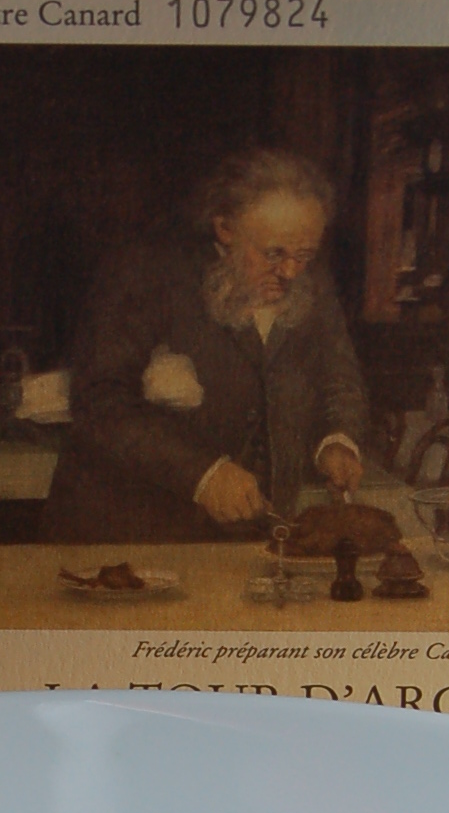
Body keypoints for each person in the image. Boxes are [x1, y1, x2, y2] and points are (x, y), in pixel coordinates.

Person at [43, 148, 368, 543]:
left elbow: (339, 378)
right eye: (273, 254)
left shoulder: (313, 283)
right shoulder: (145, 271)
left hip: (256, 538)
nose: (290, 272)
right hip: (137, 534)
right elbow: (99, 398)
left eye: (304, 255)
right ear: (225, 229)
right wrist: (202, 473)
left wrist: (337, 441)